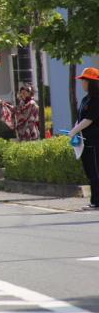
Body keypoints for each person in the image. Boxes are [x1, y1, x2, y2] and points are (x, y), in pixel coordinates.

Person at [69, 68, 99, 210]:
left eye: (85, 80)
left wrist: (75, 130)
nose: (83, 83)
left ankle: (96, 202)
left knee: (96, 172)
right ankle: (94, 201)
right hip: (86, 141)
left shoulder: (96, 98)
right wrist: (75, 130)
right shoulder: (86, 99)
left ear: (92, 82)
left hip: (95, 141)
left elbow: (90, 119)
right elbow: (81, 118)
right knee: (90, 171)